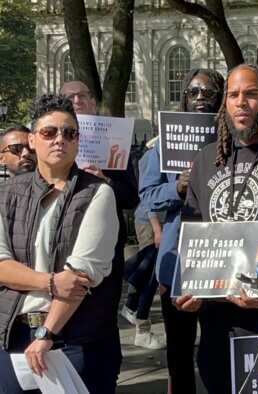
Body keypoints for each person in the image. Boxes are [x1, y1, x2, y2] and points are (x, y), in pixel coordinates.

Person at [175, 63, 258, 393]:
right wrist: (187, 285)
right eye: (233, 95)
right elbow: (192, 231)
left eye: (250, 94)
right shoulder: (207, 159)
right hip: (216, 322)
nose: (240, 102)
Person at [0, 93, 120, 392]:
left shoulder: (98, 193)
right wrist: (51, 281)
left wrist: (46, 333)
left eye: (69, 133)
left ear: (78, 141)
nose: (60, 140)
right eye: (49, 132)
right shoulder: (7, 193)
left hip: (75, 339)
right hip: (12, 335)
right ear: (32, 139)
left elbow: (81, 274)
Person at [139, 68, 224, 393]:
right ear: (183, 98)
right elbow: (147, 198)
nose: (201, 98)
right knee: (180, 354)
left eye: (209, 92)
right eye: (194, 92)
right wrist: (177, 186)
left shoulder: (234, 140)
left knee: (220, 351)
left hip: (223, 261)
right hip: (178, 267)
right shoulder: (163, 146)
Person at [59, 79, 140, 352]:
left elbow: (131, 197)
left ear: (93, 102)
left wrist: (104, 180)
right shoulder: (53, 145)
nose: (77, 101)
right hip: (62, 246)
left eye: (83, 95)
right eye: (70, 97)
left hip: (105, 249)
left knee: (103, 317)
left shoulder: (113, 142)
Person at [120, 138, 167, 350]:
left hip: (164, 221)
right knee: (151, 275)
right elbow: (147, 192)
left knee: (150, 271)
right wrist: (157, 228)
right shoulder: (154, 153)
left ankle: (132, 309)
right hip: (152, 222)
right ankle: (141, 326)